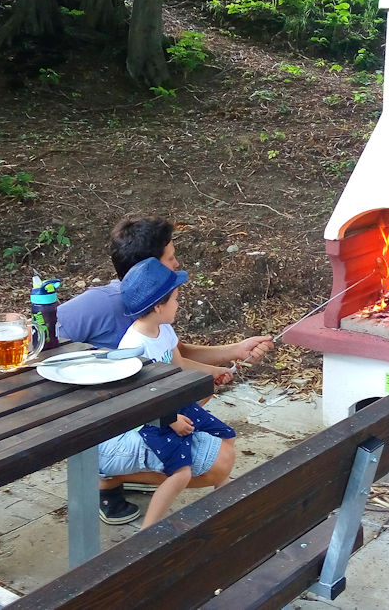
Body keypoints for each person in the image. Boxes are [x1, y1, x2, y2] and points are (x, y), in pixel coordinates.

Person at [58, 215, 273, 524]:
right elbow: (44, 334)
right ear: (147, 269)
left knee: (199, 394)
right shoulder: (101, 306)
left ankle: (136, 470)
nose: (176, 264)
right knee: (218, 462)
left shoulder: (156, 314)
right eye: (170, 258)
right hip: (117, 417)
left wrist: (234, 353)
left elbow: (176, 356)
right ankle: (107, 478)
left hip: (152, 405)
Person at [109, 257, 238, 527]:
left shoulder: (163, 329)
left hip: (174, 404)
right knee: (181, 472)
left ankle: (224, 501)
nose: (179, 304)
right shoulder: (134, 347)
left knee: (227, 435)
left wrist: (212, 372)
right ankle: (148, 531)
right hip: (151, 419)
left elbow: (179, 365)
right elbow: (134, 399)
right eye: (176, 299)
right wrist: (170, 420)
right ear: (158, 306)